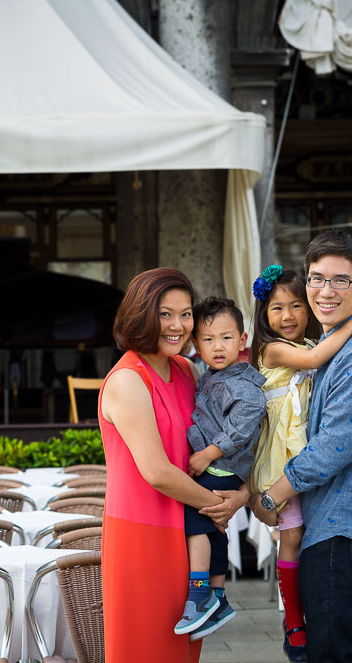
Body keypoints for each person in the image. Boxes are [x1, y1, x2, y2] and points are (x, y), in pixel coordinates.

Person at [255, 230, 352, 662]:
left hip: (343, 532)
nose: (326, 291)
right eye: (317, 279)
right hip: (329, 528)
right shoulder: (325, 346)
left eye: (340, 280)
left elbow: (335, 445)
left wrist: (272, 495)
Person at [98, 268, 248, 662]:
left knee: (183, 650)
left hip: (190, 533)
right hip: (143, 535)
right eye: (166, 314)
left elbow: (219, 441)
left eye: (186, 314)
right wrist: (217, 505)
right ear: (141, 314)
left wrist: (242, 493)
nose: (178, 325)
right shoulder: (127, 380)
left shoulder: (186, 369)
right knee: (145, 647)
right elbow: (157, 472)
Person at [175, 296, 265, 640]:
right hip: (220, 464)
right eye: (208, 339)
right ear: (196, 343)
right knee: (215, 527)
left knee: (195, 521)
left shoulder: (241, 383)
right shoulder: (210, 376)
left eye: (227, 338)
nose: (218, 346)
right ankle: (219, 597)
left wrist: (206, 455)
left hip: (223, 465)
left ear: (242, 340)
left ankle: (198, 596)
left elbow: (243, 427)